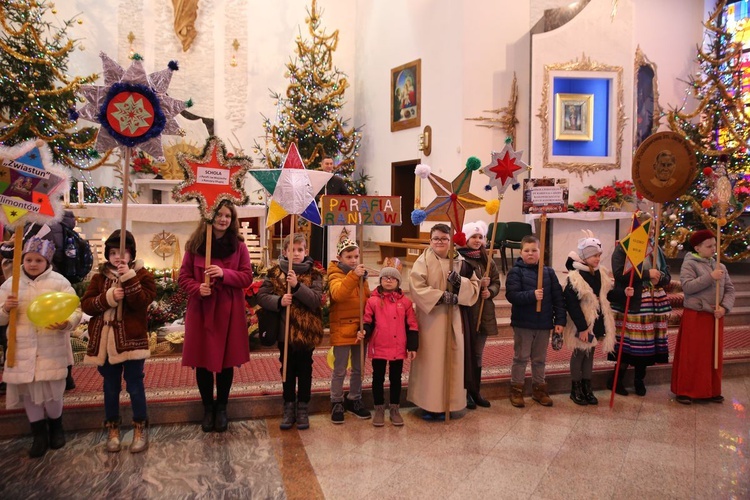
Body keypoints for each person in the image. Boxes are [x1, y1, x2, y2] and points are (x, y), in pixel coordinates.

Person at [0, 236, 81, 458]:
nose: (33, 264)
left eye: (38, 260)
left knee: (53, 393)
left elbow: (75, 309)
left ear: (47, 261)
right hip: (23, 347)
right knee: (29, 394)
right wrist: (6, 309)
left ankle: (56, 427)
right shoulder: (11, 284)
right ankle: (39, 434)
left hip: (50, 347)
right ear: (23, 260)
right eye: (29, 260)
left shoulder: (60, 282)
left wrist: (67, 323)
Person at [179, 201, 253, 433]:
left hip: (228, 311)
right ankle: (207, 408)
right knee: (202, 362)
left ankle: (222, 407)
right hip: (202, 310)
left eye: (227, 216)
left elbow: (247, 277)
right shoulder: (195, 245)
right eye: (219, 215)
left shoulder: (239, 247)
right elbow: (183, 277)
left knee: (225, 362)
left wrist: (224, 273)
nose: (223, 219)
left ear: (232, 220)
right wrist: (197, 288)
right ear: (209, 217)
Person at [81, 230, 156, 453]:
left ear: (131, 253)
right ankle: (113, 427)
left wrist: (129, 278)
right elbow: (87, 305)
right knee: (110, 387)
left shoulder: (143, 275)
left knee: (135, 385)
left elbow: (142, 302)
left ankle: (140, 427)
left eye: (122, 251)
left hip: (131, 341)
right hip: (106, 343)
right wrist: (109, 297)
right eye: (113, 252)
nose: (117, 256)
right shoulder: (99, 278)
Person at [408, 223, 480, 420]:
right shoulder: (423, 261)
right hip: (431, 320)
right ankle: (428, 405)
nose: (440, 242)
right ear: (430, 241)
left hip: (454, 319)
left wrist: (460, 284)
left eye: (444, 239)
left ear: (450, 242)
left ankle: (449, 405)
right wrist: (441, 296)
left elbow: (475, 287)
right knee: (431, 363)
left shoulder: (461, 263)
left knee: (451, 361)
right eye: (436, 238)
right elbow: (416, 286)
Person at [256, 232, 323, 430]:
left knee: (304, 370)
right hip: (285, 332)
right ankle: (288, 405)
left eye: (300, 250)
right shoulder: (275, 273)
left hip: (306, 332)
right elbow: (261, 296)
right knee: (287, 369)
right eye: (291, 250)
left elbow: (315, 300)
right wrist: (279, 301)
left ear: (306, 251)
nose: (296, 254)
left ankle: (303, 406)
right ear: (284, 252)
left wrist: (296, 286)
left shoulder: (315, 274)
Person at [562, 233, 630, 406]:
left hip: (597, 320)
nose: (598, 258)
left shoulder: (601, 273)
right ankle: (575, 388)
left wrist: (623, 294)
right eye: (594, 255)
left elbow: (607, 294)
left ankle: (587, 386)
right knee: (579, 353)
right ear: (584, 256)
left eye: (599, 255)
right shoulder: (575, 277)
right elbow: (572, 304)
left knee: (590, 353)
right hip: (581, 322)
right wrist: (583, 328)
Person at [671, 229, 735, 404]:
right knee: (693, 354)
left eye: (715, 245)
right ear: (697, 248)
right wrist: (710, 277)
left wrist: (724, 307)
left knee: (712, 355)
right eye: (709, 246)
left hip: (716, 316)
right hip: (697, 315)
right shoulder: (689, 264)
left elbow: (730, 290)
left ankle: (711, 390)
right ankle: (685, 390)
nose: (713, 249)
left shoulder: (720, 266)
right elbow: (688, 287)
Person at [608, 226, 671, 397]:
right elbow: (620, 273)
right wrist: (646, 274)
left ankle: (639, 380)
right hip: (633, 301)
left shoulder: (655, 247)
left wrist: (660, 278)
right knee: (628, 343)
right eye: (646, 228)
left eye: (651, 229)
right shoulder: (624, 246)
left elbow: (666, 274)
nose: (649, 232)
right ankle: (616, 379)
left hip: (653, 301)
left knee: (646, 345)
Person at [505, 235, 566, 408]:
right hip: (523, 323)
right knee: (521, 358)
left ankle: (539, 390)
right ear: (521, 252)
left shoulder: (548, 272)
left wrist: (559, 320)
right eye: (527, 250)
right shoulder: (516, 271)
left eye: (534, 250)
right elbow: (512, 295)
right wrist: (532, 295)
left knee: (539, 359)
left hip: (544, 323)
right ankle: (516, 390)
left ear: (540, 252)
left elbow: (558, 298)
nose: (530, 254)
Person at [361, 266, 418, 426]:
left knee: (396, 378)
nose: (388, 280)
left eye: (392, 278)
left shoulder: (405, 302)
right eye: (385, 278)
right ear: (380, 280)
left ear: (398, 282)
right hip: (379, 345)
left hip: (397, 346)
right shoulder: (372, 301)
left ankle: (394, 408)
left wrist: (412, 346)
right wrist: (365, 331)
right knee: (377, 378)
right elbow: (368, 321)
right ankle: (379, 408)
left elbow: (412, 325)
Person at [327, 238, 371, 423]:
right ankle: (336, 401)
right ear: (339, 257)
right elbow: (339, 294)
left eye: (356, 256)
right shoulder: (335, 275)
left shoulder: (361, 276)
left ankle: (355, 398)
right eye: (349, 256)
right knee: (340, 369)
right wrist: (354, 276)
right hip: (343, 327)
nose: (353, 260)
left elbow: (367, 299)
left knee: (358, 369)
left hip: (359, 328)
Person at [457, 220, 500, 409]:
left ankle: (476, 391)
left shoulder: (487, 259)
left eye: (480, 237)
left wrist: (490, 290)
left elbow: (497, 282)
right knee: (465, 353)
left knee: (477, 354)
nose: (477, 240)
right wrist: (475, 285)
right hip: (467, 313)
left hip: (483, 313)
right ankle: (464, 391)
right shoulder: (460, 259)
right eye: (473, 237)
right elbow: (456, 283)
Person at [310, 155, 349, 264]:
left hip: (333, 217)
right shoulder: (316, 180)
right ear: (322, 165)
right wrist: (320, 198)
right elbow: (310, 195)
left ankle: (332, 262)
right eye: (326, 164)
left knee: (331, 239)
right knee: (318, 241)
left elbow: (346, 196)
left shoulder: (338, 181)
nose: (329, 166)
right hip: (319, 215)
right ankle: (317, 263)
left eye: (331, 164)